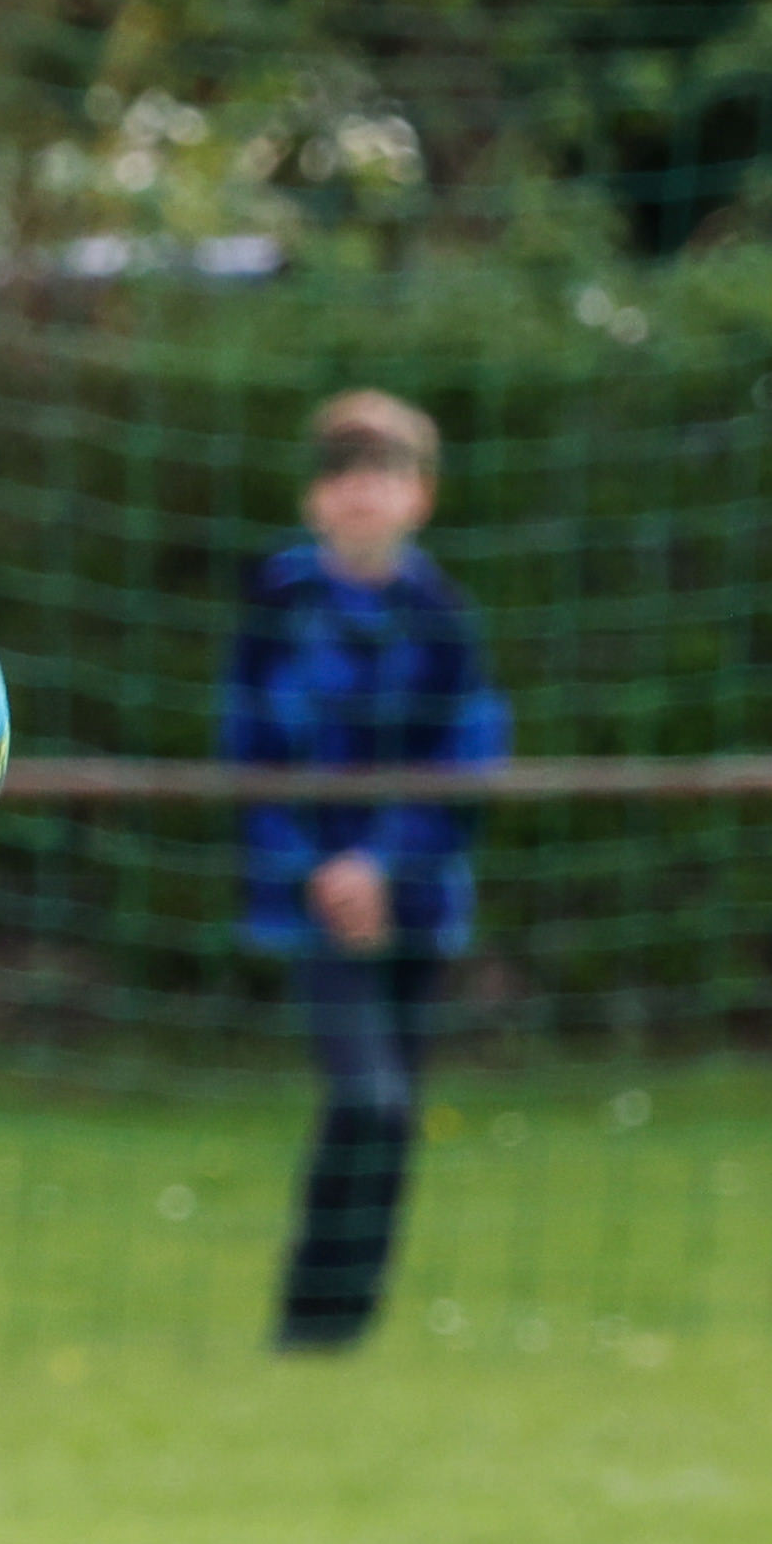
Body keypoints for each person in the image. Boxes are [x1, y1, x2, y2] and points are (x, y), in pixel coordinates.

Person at [223, 389, 509, 1352]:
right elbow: (248, 753)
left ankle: (340, 1326)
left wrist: (384, 866)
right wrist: (319, 871)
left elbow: (466, 762)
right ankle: (308, 1320)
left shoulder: (444, 616)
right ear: (315, 497)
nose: (360, 491)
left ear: (419, 495)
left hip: (414, 903)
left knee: (390, 1118)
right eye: (341, 473)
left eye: (382, 473)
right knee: (366, 1099)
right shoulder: (278, 604)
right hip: (310, 903)